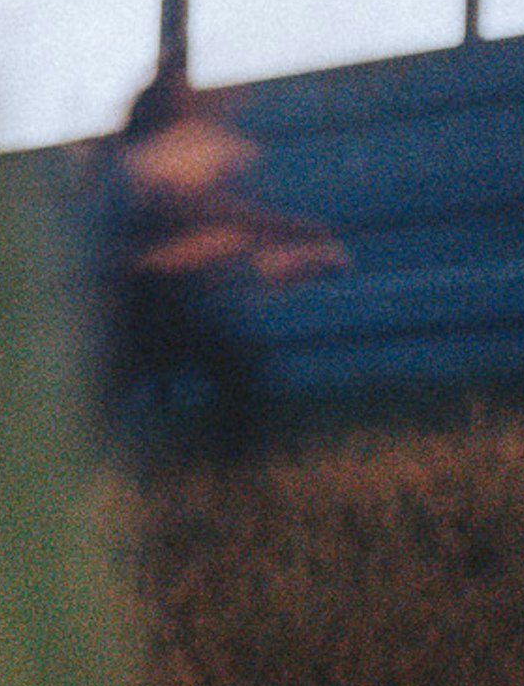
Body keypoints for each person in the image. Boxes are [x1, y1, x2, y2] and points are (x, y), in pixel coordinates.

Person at [103, 69, 344, 457]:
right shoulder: (148, 157)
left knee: (229, 371)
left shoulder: (176, 151)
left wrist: (270, 239)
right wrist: (279, 229)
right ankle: (233, 455)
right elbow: (198, 210)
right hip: (155, 293)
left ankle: (233, 455)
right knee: (226, 368)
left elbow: (211, 216)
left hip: (168, 293)